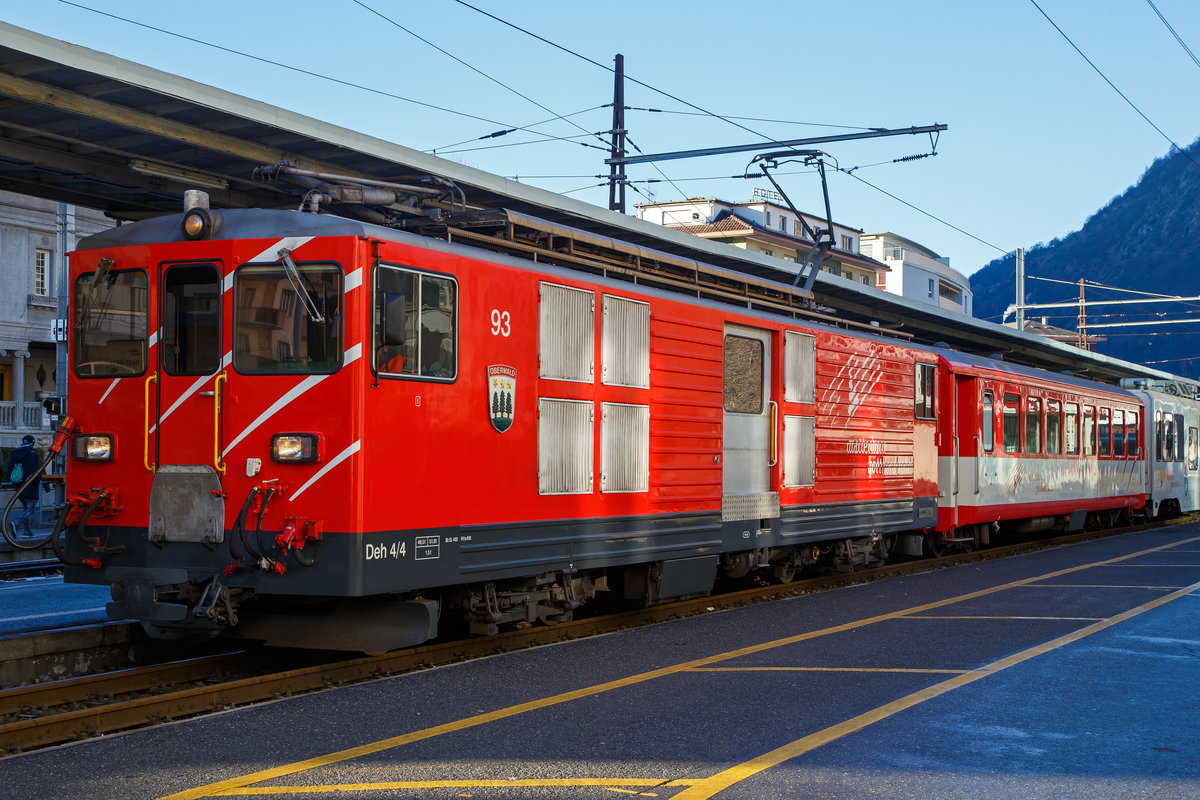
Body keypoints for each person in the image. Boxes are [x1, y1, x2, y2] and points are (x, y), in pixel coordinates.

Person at [7, 435, 40, 537]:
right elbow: (36, 472)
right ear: (33, 443)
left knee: (25, 508)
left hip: (18, 485)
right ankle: (16, 523)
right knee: (31, 508)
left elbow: (9, 471)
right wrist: (37, 484)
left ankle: (27, 531)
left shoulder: (15, 454)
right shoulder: (33, 454)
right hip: (29, 485)